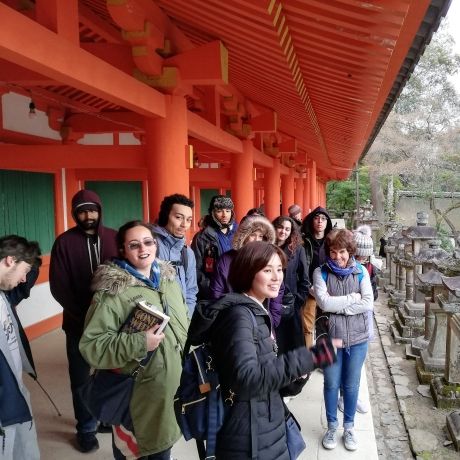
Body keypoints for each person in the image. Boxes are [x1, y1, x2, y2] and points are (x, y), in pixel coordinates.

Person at [187, 241, 338, 460]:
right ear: (248, 272)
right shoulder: (239, 317)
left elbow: (262, 372)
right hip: (248, 433)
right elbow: (247, 379)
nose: (277, 277)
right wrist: (309, 358)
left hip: (263, 420)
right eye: (267, 270)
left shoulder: (257, 310)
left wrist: (292, 378)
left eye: (279, 269)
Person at [80, 221, 189, 459]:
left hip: (169, 391)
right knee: (136, 451)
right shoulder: (112, 292)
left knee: (163, 448)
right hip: (135, 396)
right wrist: (140, 342)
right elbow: (92, 346)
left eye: (148, 242)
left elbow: (182, 328)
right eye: (134, 245)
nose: (143, 249)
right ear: (123, 250)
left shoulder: (168, 279)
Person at [49, 189, 118, 452]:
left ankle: (103, 417)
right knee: (81, 378)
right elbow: (59, 286)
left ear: (100, 211)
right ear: (75, 214)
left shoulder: (113, 238)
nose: (88, 216)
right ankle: (86, 428)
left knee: (108, 375)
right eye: (82, 211)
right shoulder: (64, 243)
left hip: (111, 325)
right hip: (78, 325)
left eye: (93, 210)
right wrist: (86, 315)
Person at [313, 229, 373, 452]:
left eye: (342, 252)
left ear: (351, 251)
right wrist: (352, 299)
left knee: (351, 384)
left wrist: (343, 309)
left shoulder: (360, 273)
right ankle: (331, 426)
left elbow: (367, 303)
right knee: (330, 383)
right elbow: (325, 303)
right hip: (329, 338)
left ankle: (349, 427)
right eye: (333, 252)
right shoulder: (321, 273)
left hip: (358, 337)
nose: (338, 256)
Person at [0, 235, 41, 460]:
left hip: (15, 390)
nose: (25, 278)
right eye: (24, 270)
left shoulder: (3, 296)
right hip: (3, 404)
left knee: (24, 450)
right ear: (9, 260)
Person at [209, 215, 283, 328]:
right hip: (234, 321)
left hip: (264, 321)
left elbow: (277, 290)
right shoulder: (227, 259)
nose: (257, 240)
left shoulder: (269, 259)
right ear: (243, 236)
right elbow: (217, 293)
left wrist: (272, 319)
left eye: (261, 236)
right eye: (252, 235)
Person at [152, 193, 198, 315]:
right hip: (153, 319)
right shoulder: (149, 245)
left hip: (180, 320)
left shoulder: (187, 253)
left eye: (189, 220)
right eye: (178, 217)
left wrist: (187, 317)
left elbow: (191, 290)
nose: (184, 224)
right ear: (165, 216)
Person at [272, 216, 310, 353]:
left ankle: (296, 369)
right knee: (275, 339)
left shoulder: (297, 249)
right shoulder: (266, 247)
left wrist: (297, 301)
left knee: (293, 339)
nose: (283, 231)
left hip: (291, 301)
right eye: (280, 227)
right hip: (270, 301)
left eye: (287, 229)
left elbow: (305, 279)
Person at [192, 195, 238, 300]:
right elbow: (196, 269)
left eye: (228, 211)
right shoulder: (202, 237)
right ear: (212, 213)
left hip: (237, 288)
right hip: (213, 290)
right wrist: (209, 287)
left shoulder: (239, 233)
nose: (224, 215)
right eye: (219, 211)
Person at [300, 207, 333, 348]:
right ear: (311, 220)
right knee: (307, 325)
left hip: (327, 290)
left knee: (325, 324)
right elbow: (300, 267)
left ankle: (322, 358)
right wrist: (307, 286)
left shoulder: (332, 241)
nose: (320, 221)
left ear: (327, 222)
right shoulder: (303, 242)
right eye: (316, 218)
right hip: (309, 289)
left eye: (324, 219)